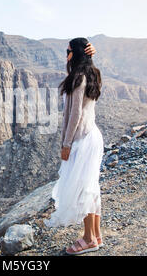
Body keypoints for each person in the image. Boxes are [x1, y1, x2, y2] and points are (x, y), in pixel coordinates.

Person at [43, 38, 104, 255]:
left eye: (68, 51)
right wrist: (89, 58)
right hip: (94, 136)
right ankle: (96, 236)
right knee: (91, 187)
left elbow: (74, 114)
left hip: (82, 139)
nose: (65, 54)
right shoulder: (93, 73)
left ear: (74, 53)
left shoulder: (77, 78)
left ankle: (88, 239)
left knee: (82, 189)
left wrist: (66, 144)